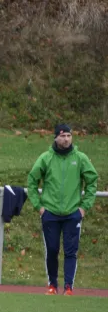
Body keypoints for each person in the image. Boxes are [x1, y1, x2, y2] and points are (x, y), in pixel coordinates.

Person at [27, 123, 98, 296]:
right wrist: (39, 206)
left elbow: (92, 181)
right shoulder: (46, 158)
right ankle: (52, 285)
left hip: (72, 213)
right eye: (62, 136)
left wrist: (83, 207)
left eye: (68, 136)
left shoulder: (80, 158)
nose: (66, 139)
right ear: (55, 138)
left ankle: (68, 287)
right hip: (50, 212)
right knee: (52, 250)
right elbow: (32, 181)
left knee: (70, 251)